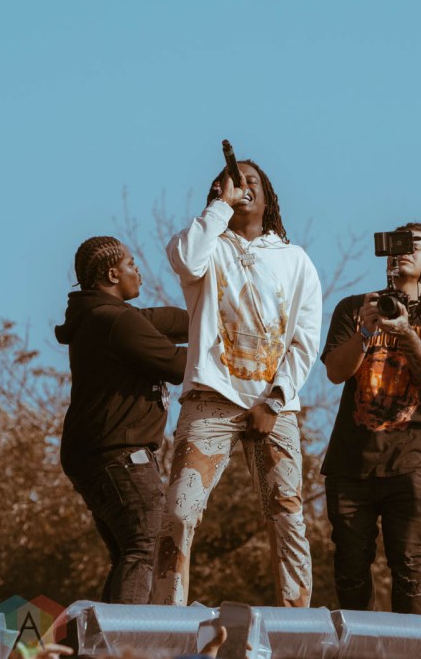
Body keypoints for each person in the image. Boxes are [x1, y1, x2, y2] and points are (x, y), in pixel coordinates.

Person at [153, 160, 322, 607]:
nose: (243, 186)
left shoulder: (296, 260)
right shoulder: (205, 244)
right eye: (232, 181)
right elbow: (186, 259)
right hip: (210, 399)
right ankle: (168, 620)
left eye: (252, 181)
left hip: (274, 406)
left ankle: (296, 624)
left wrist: (276, 400)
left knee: (287, 516)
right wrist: (219, 208)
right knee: (179, 513)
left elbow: (305, 342)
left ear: (268, 197)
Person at [321, 222, 421, 614]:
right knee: (349, 567)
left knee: (409, 564)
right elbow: (335, 372)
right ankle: (357, 645)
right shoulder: (354, 308)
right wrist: (365, 333)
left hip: (411, 462)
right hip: (351, 462)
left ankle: (412, 645)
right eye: (396, 246)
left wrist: (406, 333)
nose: (402, 252)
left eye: (414, 246)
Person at [55, 236, 188, 604]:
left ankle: (104, 633)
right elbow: (179, 366)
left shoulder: (99, 317)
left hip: (95, 456)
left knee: (129, 553)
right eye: (131, 264)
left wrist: (210, 315)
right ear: (113, 274)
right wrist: (228, 346)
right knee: (145, 546)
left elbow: (165, 319)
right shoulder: (114, 321)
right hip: (120, 456)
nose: (138, 271)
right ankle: (126, 636)